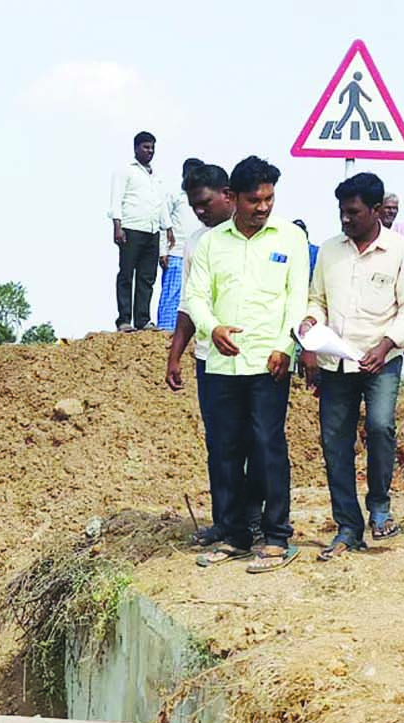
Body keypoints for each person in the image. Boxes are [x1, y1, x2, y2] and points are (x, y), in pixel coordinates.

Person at [182, 155, 309, 573]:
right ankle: (234, 536)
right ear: (234, 197)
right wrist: (212, 327)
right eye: (255, 200)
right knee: (224, 450)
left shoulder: (290, 238)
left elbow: (296, 299)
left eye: (269, 198)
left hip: (269, 363)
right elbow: (196, 296)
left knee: (268, 447)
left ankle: (276, 537)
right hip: (221, 365)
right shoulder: (211, 243)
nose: (263, 207)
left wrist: (286, 348)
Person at [298, 172, 404, 558]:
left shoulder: (401, 251)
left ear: (375, 210)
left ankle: (380, 507)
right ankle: (348, 527)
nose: (345, 219)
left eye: (353, 212)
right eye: (341, 211)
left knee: (380, 426)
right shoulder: (330, 251)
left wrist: (385, 346)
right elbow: (317, 299)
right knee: (335, 442)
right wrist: (310, 324)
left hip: (381, 360)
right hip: (336, 362)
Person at [163, 164, 253, 546]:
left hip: (254, 356)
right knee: (220, 444)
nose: (199, 211)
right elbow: (188, 303)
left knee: (257, 441)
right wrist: (175, 355)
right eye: (193, 206)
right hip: (211, 359)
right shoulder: (196, 242)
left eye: (205, 203)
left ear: (228, 195)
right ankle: (226, 522)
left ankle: (257, 519)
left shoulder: (255, 235)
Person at [109, 131, 173, 332]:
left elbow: (161, 203)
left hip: (152, 230)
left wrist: (168, 227)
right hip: (131, 228)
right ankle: (124, 320)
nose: (150, 151)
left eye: (152, 147)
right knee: (126, 274)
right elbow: (116, 199)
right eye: (146, 147)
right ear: (136, 148)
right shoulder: (126, 171)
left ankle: (143, 320)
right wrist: (117, 226)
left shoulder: (156, 176)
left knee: (147, 277)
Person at [156, 158, 204, 329]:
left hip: (199, 254)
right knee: (172, 294)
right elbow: (163, 224)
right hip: (176, 252)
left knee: (197, 294)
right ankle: (166, 330)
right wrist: (163, 251)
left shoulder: (204, 199)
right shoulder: (175, 195)